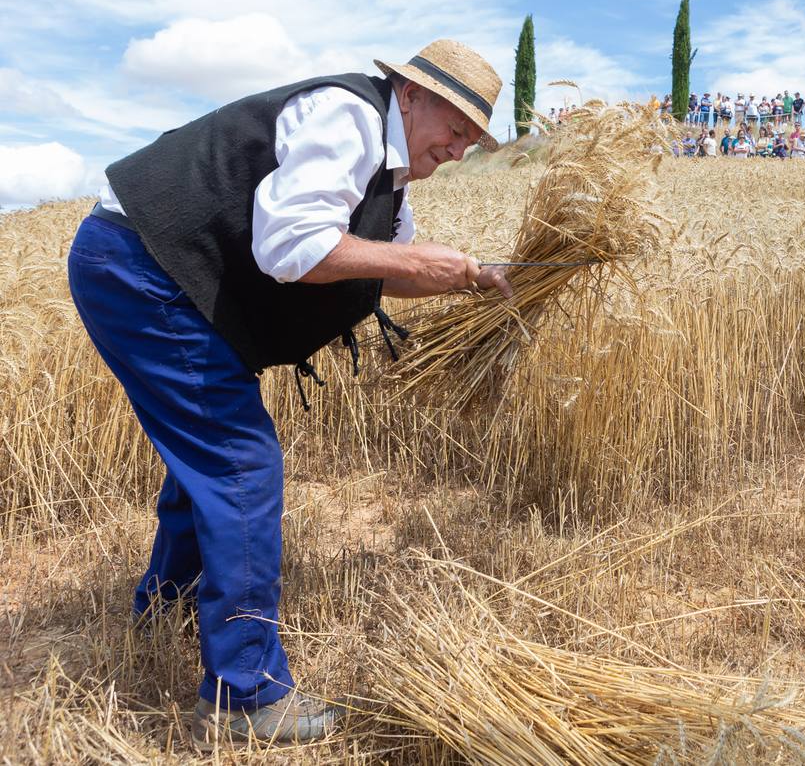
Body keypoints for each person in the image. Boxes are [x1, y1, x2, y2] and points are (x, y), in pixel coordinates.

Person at [67, 40, 513, 750]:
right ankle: (244, 699)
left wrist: (463, 276)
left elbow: (368, 268)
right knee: (240, 466)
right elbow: (291, 248)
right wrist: (410, 260)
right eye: (455, 127)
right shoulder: (347, 119)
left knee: (211, 456)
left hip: (169, 275)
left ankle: (166, 608)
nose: (459, 148)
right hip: (142, 265)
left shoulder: (390, 181)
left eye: (472, 138)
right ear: (410, 93)